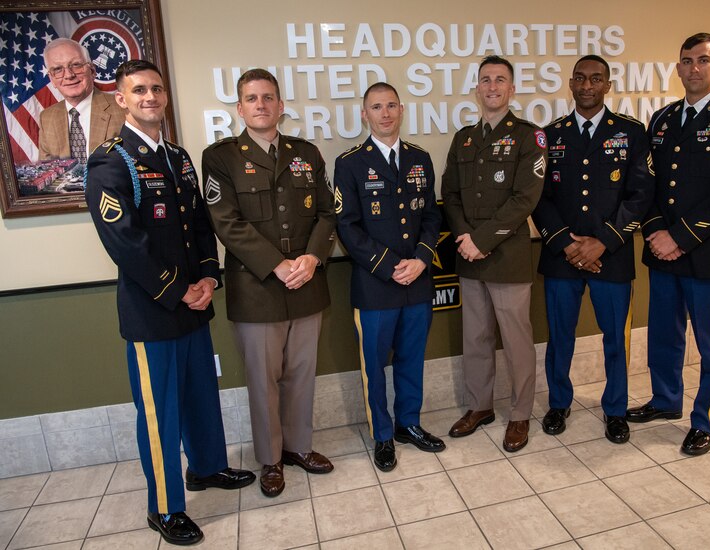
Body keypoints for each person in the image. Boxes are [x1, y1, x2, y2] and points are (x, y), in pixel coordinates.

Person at [85, 60, 254, 546]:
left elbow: (200, 224)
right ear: (121, 99)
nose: (150, 97)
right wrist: (177, 288)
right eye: (138, 90)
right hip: (152, 311)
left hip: (193, 304)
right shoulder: (111, 161)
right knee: (159, 413)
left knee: (201, 395)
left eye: (156, 89)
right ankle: (164, 506)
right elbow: (124, 241)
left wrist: (206, 277)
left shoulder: (178, 157)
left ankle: (206, 467)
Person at [626, 33, 710, 456]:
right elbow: (646, 185)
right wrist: (655, 232)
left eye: (703, 60)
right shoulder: (663, 118)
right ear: (678, 66)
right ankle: (666, 401)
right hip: (663, 252)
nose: (694, 68)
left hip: (707, 253)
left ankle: (705, 420)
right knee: (664, 336)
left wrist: (680, 237)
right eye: (686, 61)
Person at [203, 68, 335, 496]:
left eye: (269, 97)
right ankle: (271, 459)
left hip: (307, 283)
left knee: (301, 374)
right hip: (257, 288)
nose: (261, 105)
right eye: (252, 98)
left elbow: (327, 214)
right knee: (262, 380)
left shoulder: (306, 152)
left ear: (280, 105)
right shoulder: (220, 157)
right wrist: (279, 265)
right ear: (240, 109)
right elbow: (226, 223)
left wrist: (313, 257)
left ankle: (299, 447)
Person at [533, 55, 654, 444]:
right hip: (561, 257)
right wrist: (568, 243)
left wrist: (604, 241)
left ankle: (616, 409)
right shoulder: (550, 135)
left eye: (596, 79)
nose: (587, 85)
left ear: (607, 85)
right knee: (560, 336)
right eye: (581, 79)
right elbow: (539, 198)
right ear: (570, 84)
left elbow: (640, 195)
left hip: (612, 256)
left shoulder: (632, 133)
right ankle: (558, 403)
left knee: (616, 338)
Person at [334, 82, 445, 472]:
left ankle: (408, 424)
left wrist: (420, 259)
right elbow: (347, 226)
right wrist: (387, 265)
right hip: (374, 285)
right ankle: (382, 435)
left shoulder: (420, 158)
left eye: (391, 105)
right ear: (365, 114)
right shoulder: (349, 163)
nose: (385, 113)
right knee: (375, 367)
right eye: (376, 107)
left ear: (402, 110)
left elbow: (431, 214)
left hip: (417, 280)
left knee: (412, 360)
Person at [442, 56, 547, 452]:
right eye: (485, 80)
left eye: (500, 80)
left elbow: (524, 199)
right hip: (469, 256)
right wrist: (464, 236)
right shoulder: (463, 138)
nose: (492, 86)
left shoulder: (529, 136)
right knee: (476, 337)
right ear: (476, 88)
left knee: (516, 340)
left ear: (511, 89)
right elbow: (450, 194)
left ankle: (520, 414)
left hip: (506, 256)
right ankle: (479, 406)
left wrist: (480, 239)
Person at [38, 38, 124, 162]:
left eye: (76, 65)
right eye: (57, 69)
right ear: (51, 79)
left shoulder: (122, 108)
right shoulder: (47, 117)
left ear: (93, 71)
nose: (68, 75)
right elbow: (47, 170)